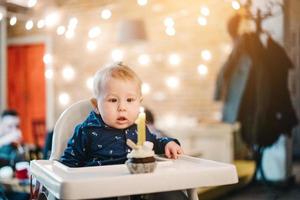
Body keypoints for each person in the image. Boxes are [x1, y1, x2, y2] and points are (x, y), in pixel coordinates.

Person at [60, 62, 187, 200]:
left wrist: (168, 144)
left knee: (174, 195)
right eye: (113, 100)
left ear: (139, 102)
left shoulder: (139, 129)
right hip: (100, 190)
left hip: (139, 189)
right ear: (96, 105)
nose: (122, 107)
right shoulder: (87, 130)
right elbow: (68, 166)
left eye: (130, 100)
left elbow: (154, 144)